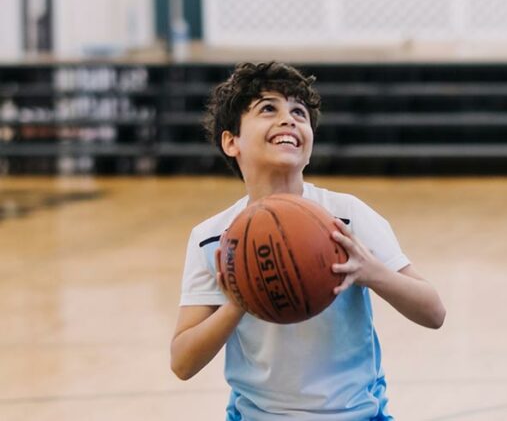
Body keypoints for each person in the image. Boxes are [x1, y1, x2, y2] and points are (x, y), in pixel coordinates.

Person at [170, 61, 446, 420]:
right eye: (268, 108)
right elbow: (182, 361)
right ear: (231, 141)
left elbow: (434, 312)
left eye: (299, 112)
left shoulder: (347, 217)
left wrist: (372, 272)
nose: (289, 119)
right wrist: (238, 302)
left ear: (310, 145)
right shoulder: (212, 240)